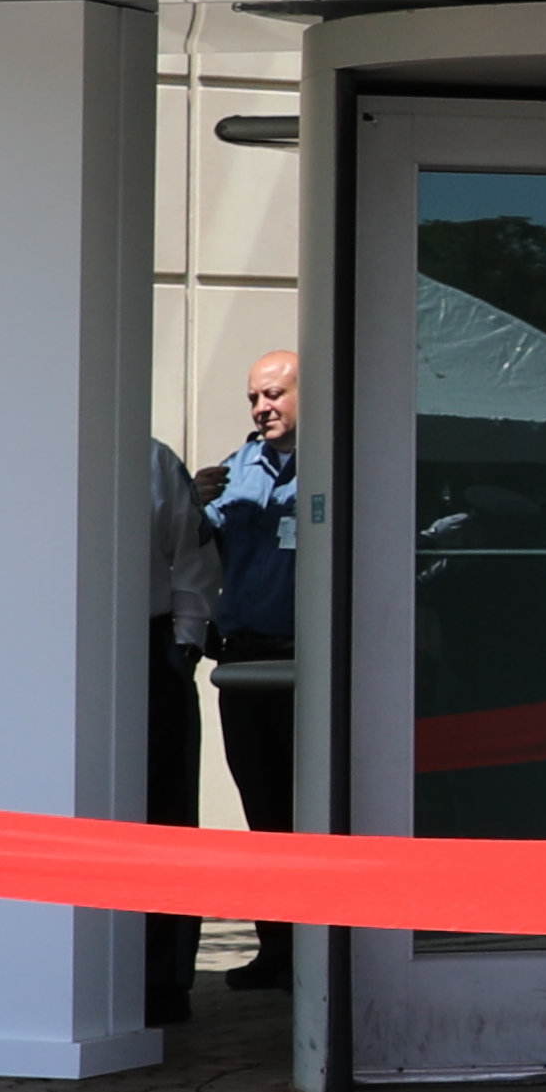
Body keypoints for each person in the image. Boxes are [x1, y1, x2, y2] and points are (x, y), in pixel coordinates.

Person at [204, 346, 303, 988]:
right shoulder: (239, 468)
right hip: (244, 663)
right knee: (264, 811)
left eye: (274, 395)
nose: (262, 407)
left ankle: (325, 949)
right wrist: (194, 500)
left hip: (306, 664)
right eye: (254, 398)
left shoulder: (335, 467)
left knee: (310, 812)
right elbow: (192, 537)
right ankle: (278, 949)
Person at [142, 430, 219, 1027]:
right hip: (61, 649)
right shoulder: (33, 460)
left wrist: (182, 648)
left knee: (165, 817)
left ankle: (163, 980)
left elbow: (191, 558)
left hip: (150, 647)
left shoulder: (151, 460)